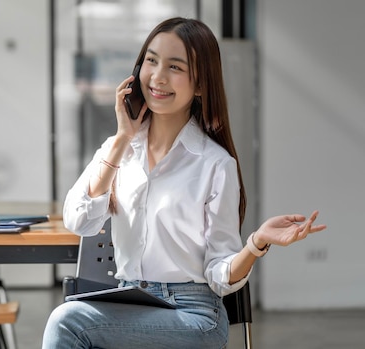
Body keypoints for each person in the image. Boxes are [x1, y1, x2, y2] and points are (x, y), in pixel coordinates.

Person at [42, 17, 327, 349]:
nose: (158, 77)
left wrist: (256, 242)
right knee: (72, 321)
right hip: (128, 304)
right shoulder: (117, 150)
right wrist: (122, 138)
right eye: (151, 60)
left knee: (68, 322)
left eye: (175, 67)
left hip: (194, 315)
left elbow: (220, 275)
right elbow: (80, 221)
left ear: (201, 85)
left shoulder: (215, 163)